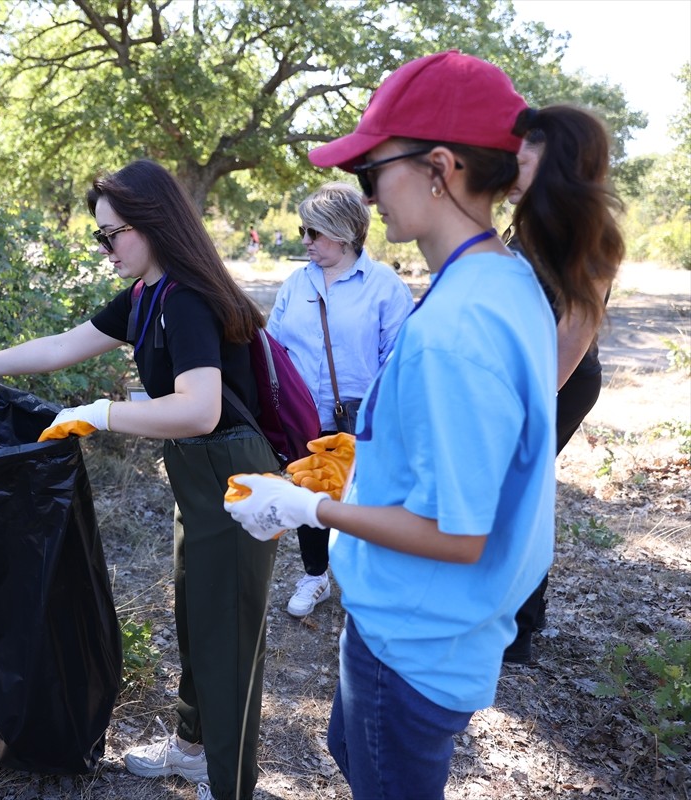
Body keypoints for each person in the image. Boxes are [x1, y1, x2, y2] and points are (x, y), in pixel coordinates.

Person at [223, 51, 622, 798]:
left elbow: (457, 534)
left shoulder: (456, 327)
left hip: (413, 639)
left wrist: (305, 506)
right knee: (352, 745)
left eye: (373, 172)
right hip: (425, 623)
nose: (367, 196)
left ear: (439, 167)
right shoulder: (500, 280)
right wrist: (372, 460)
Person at [0, 159, 276, 800]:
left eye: (112, 234)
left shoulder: (185, 301)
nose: (105, 249)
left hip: (234, 479)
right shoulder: (147, 295)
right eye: (99, 236)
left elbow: (200, 408)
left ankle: (230, 786)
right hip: (201, 479)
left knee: (227, 637)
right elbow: (64, 345)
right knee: (194, 616)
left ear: (152, 224)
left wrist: (100, 413)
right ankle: (190, 747)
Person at [266, 182, 413, 618]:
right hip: (301, 411)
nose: (305, 241)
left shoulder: (384, 285)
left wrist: (381, 416)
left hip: (361, 416)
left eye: (314, 232)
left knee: (361, 501)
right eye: (303, 231)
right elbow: (273, 347)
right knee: (311, 491)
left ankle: (369, 586)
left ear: (345, 231)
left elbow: (399, 358)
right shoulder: (296, 282)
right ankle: (315, 577)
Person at [502, 128, 620, 663]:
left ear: (552, 167)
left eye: (521, 158)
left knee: (523, 492)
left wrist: (526, 405)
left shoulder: (591, 235)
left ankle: (519, 628)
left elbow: (573, 338)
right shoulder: (527, 223)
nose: (508, 166)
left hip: (559, 381)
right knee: (513, 491)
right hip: (519, 379)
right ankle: (517, 611)